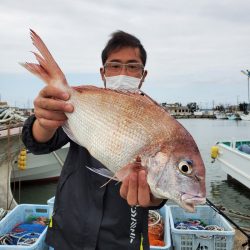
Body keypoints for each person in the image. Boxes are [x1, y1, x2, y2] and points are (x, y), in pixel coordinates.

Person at [22, 31, 166, 250]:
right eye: (115, 65)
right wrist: (42, 123)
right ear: (103, 72)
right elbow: (40, 143)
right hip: (68, 233)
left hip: (123, 239)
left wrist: (155, 198)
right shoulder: (86, 103)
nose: (123, 73)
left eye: (132, 66)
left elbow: (162, 184)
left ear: (143, 75)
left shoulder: (158, 121)